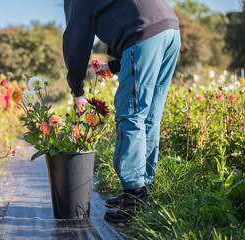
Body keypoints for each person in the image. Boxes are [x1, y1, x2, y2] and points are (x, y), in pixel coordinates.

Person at [62, 0, 181, 224]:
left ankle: (135, 198)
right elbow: (131, 14)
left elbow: (76, 39)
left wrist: (77, 88)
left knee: (131, 114)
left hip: (144, 34)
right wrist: (115, 65)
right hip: (169, 30)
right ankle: (143, 188)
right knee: (149, 117)